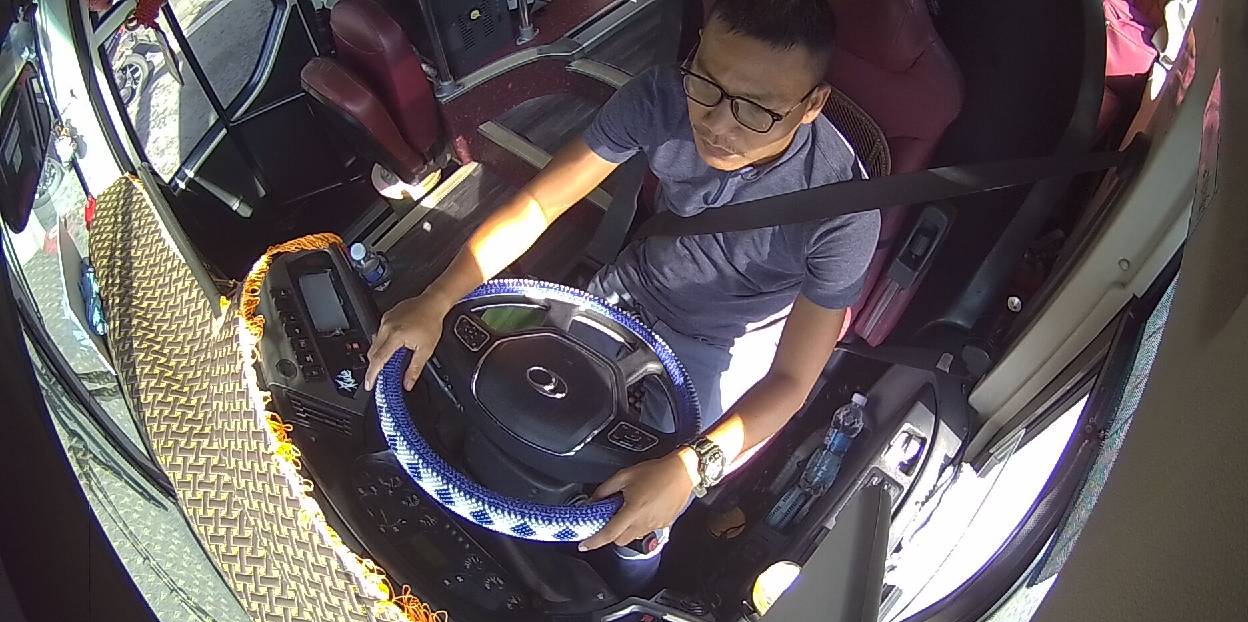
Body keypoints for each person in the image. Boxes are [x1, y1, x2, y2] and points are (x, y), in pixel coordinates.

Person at [364, 0, 879, 569]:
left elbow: (791, 378)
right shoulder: (662, 98)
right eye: (706, 84)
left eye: (756, 110)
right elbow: (538, 205)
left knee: (643, 518)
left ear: (812, 105)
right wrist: (437, 299)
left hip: (726, 339)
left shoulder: (845, 214)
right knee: (511, 394)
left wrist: (692, 466)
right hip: (633, 283)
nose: (717, 125)